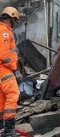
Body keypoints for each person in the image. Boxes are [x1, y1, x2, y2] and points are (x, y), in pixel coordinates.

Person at [0, 7, 20, 137]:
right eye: (15, 20)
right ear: (11, 18)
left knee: (2, 98)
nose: (15, 23)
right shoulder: (4, 32)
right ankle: (8, 129)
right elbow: (4, 53)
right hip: (4, 68)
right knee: (13, 93)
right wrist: (14, 68)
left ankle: (2, 126)